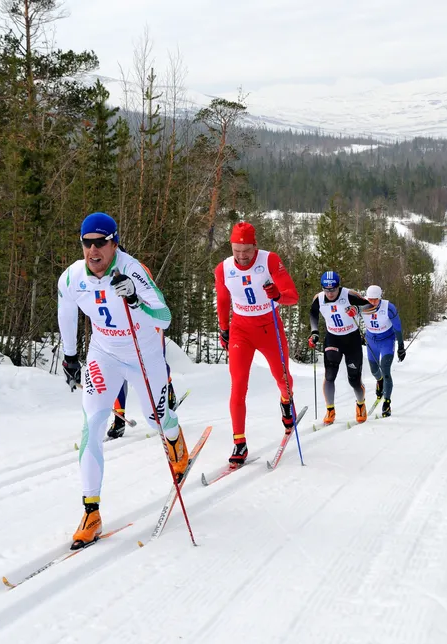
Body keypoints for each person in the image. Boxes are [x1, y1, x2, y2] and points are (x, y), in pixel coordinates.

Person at [57, 212, 189, 549]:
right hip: (104, 354)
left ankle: (174, 438)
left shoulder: (133, 270)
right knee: (92, 425)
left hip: (144, 354)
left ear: (114, 243)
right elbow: (67, 312)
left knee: (156, 419)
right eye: (87, 243)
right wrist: (70, 356)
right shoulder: (72, 277)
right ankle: (91, 512)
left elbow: (165, 317)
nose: (93, 250)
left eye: (100, 243)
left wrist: (134, 299)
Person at [214, 221, 299, 466]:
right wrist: (224, 329)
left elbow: (293, 296)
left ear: (255, 246)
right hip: (241, 330)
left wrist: (278, 295)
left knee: (282, 377)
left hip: (269, 327)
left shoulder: (269, 260)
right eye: (236, 251)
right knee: (238, 384)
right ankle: (239, 442)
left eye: (246, 251)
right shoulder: (223, 268)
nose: (241, 256)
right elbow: (223, 300)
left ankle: (286, 401)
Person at [308, 270, 370, 425]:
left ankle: (360, 405)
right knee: (329, 376)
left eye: (333, 290)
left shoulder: (349, 295)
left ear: (338, 287)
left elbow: (369, 304)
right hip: (333, 339)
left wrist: (357, 309)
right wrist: (314, 332)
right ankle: (330, 409)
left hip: (352, 339)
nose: (330, 293)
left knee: (354, 380)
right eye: (326, 290)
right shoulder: (319, 298)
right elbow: (313, 314)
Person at [106, 330, 178, 440]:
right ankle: (119, 419)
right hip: (124, 332)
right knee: (118, 371)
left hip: (150, 328)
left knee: (159, 362)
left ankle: (168, 394)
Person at [357, 284, 405, 417]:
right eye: (370, 299)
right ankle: (380, 380)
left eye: (375, 300)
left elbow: (398, 327)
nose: (372, 302)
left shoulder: (389, 308)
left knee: (385, 369)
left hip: (386, 340)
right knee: (374, 370)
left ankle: (387, 403)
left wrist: (401, 346)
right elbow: (352, 318)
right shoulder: (362, 306)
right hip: (371, 340)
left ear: (380, 298)